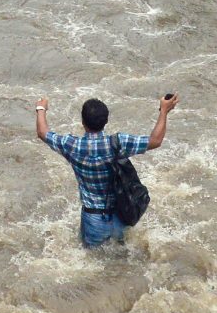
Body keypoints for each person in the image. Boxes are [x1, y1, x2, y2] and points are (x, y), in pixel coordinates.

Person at [33, 92, 176, 248]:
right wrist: (164, 111)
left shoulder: (72, 145)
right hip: (121, 214)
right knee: (123, 260)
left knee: (92, 263)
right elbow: (155, 141)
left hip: (93, 220)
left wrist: (41, 107)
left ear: (82, 121)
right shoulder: (118, 143)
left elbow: (42, 132)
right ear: (106, 121)